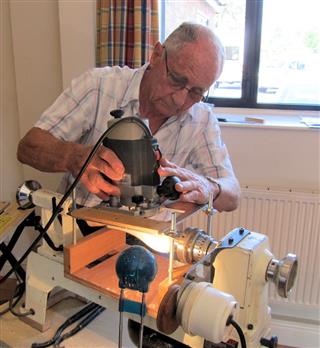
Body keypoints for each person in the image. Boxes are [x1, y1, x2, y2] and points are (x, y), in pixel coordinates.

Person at [17, 22, 240, 213]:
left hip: (150, 245)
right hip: (77, 236)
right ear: (156, 55)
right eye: (177, 80)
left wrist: (210, 187)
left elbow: (232, 193)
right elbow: (28, 147)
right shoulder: (99, 86)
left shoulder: (202, 119)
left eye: (196, 92)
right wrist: (75, 157)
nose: (180, 100)